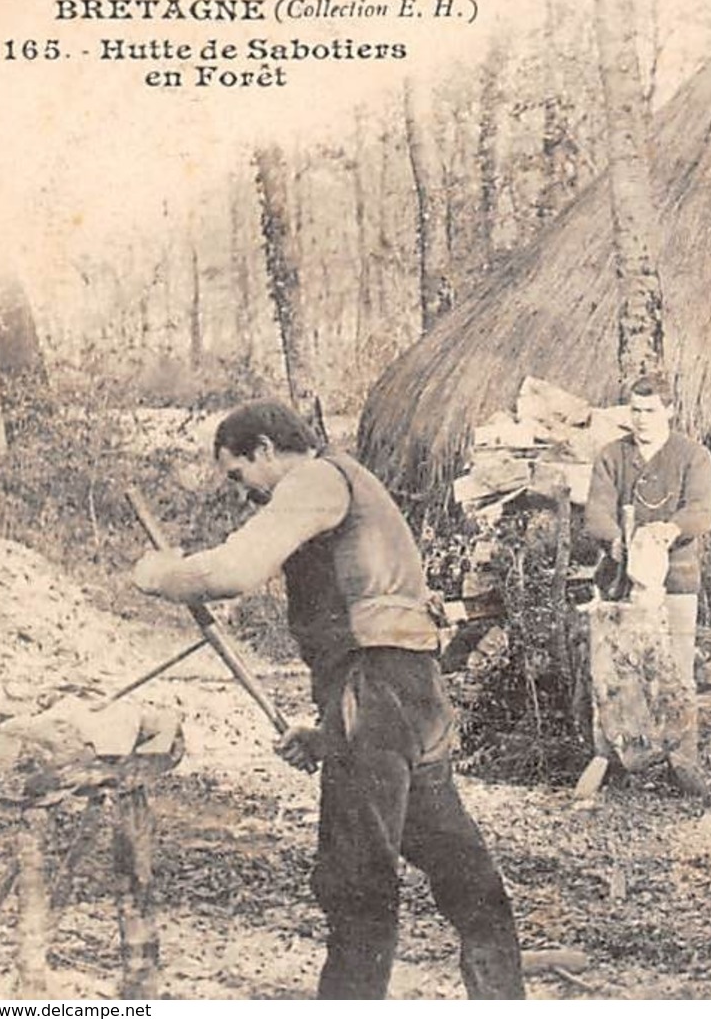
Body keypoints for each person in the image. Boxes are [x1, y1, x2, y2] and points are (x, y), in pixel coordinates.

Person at [131, 400, 525, 1000]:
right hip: (407, 700)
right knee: (463, 873)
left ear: (265, 449)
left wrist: (158, 574)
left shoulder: (314, 478)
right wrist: (329, 731)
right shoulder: (349, 484)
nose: (243, 495)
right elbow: (377, 631)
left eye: (239, 475)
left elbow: (235, 569)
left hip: (378, 701)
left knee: (357, 885)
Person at [585, 372, 711, 795]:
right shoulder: (611, 456)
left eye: (650, 411)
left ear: (670, 411)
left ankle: (682, 762)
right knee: (612, 672)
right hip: (619, 584)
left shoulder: (693, 456)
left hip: (675, 580)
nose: (641, 419)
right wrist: (615, 539)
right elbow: (597, 512)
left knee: (675, 672)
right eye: (635, 411)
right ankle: (611, 758)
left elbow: (702, 510)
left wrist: (668, 531)